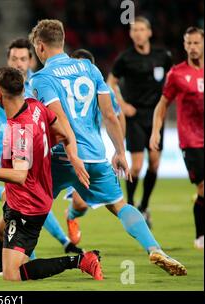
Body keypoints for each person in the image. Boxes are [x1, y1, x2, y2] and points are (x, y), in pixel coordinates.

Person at [29, 19, 186, 276]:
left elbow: (60, 120)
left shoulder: (41, 78)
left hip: (62, 157)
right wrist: (120, 151)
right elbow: (110, 115)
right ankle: (154, 248)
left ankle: (25, 258)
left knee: (33, 205)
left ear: (40, 46)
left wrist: (72, 155)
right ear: (63, 40)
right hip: (96, 155)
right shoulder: (89, 69)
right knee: (120, 205)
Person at [0, 67, 103, 281]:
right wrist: (39, 147)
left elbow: (19, 176)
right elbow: (63, 133)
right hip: (25, 195)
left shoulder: (18, 130)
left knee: (13, 275)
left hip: (29, 205)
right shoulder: (35, 106)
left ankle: (81, 260)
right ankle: (0, 263)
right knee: (0, 230)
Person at [0, 38, 83, 255]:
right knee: (19, 206)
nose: (18, 63)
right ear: (8, 60)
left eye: (23, 59)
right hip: (7, 150)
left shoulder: (38, 84)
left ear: (31, 61)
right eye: (14, 58)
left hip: (33, 152)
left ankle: (21, 258)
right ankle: (51, 247)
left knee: (23, 204)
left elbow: (56, 117)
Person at [107, 16, 172, 228]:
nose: (138, 33)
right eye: (134, 30)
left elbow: (172, 79)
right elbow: (111, 82)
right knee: (135, 167)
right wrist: (122, 104)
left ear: (149, 32)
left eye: (142, 29)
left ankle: (144, 205)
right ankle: (132, 205)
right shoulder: (125, 58)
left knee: (154, 163)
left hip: (155, 117)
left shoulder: (162, 56)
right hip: (134, 116)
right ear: (131, 34)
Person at [63, 49, 126, 245]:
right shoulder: (62, 88)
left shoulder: (101, 89)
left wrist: (120, 148)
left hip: (93, 150)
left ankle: (71, 215)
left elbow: (115, 115)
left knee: (82, 205)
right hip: (68, 150)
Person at [150, 27, 204, 250]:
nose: (192, 47)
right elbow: (162, 105)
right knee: (203, 188)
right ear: (184, 45)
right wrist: (155, 131)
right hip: (191, 141)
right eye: (189, 43)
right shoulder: (177, 73)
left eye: (196, 43)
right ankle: (201, 236)